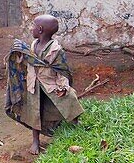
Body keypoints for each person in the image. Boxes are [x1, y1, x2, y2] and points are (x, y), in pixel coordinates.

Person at [5, 15, 85, 154]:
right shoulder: (32, 46)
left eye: (33, 26)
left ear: (40, 29)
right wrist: (19, 57)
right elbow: (27, 63)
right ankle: (35, 141)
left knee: (69, 99)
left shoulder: (55, 50)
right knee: (34, 112)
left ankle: (75, 127)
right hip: (34, 86)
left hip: (51, 84)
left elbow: (62, 71)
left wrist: (63, 87)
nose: (31, 28)